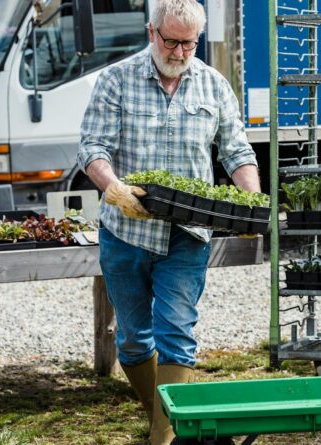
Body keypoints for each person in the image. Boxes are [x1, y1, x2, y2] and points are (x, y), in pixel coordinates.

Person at [77, 1, 260, 444]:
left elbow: (236, 152)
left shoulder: (213, 85)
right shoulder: (116, 80)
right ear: (151, 31)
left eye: (189, 43)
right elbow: (92, 148)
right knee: (135, 340)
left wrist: (251, 202)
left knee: (176, 331)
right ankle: (167, 421)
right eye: (171, 40)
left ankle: (165, 439)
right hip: (126, 232)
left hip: (187, 233)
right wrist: (114, 189)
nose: (179, 52)